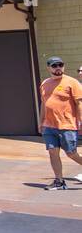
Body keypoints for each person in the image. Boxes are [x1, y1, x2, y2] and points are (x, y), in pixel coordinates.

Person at [39, 56, 82, 191]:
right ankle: (59, 181)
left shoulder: (72, 82)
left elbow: (79, 103)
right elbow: (44, 104)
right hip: (49, 126)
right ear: (49, 68)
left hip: (67, 125)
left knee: (71, 153)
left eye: (60, 65)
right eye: (54, 66)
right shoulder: (45, 83)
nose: (58, 68)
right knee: (52, 151)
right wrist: (41, 122)